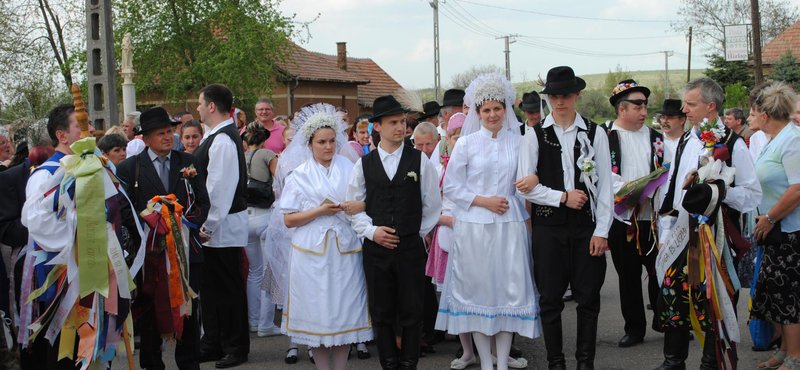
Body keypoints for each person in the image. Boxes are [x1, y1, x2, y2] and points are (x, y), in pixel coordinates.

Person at [654, 77, 762, 370]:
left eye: (691, 104)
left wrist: (716, 191)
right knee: (674, 296)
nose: (684, 109)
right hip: (681, 234)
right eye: (685, 104)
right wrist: (666, 229)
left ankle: (711, 363)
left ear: (711, 106)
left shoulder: (732, 143)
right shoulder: (687, 139)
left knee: (712, 300)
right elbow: (675, 187)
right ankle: (673, 361)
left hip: (715, 237)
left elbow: (752, 194)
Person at [436, 73, 540, 370]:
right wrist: (484, 201)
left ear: (506, 109)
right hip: (473, 227)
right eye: (486, 110)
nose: (493, 114)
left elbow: (530, 176)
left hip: (510, 226)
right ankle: (484, 362)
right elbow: (452, 187)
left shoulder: (520, 141)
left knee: (508, 291)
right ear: (477, 113)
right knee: (478, 292)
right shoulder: (466, 144)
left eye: (498, 108)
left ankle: (503, 360)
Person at [516, 66, 614, 370]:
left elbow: (607, 188)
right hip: (548, 228)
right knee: (550, 299)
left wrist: (602, 231)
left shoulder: (595, 132)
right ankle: (555, 362)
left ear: (577, 95)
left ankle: (586, 362)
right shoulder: (534, 135)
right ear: (548, 98)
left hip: (587, 227)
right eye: (555, 96)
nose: (560, 101)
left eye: (566, 95)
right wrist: (561, 196)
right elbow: (524, 187)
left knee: (588, 299)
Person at [347, 95, 442, 370]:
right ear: (377, 126)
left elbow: (432, 205)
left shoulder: (420, 161)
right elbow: (355, 207)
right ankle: (389, 364)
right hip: (376, 250)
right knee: (382, 312)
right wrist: (373, 232)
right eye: (393, 122)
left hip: (410, 249)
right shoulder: (363, 165)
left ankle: (409, 364)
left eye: (402, 122)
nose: (400, 127)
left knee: (412, 312)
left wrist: (411, 232)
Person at [278, 103, 373, 370]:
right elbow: (288, 219)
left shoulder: (351, 167)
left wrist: (355, 206)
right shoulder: (299, 174)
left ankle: (341, 367)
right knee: (316, 313)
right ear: (309, 144)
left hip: (345, 251)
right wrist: (319, 211)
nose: (328, 146)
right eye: (321, 142)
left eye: (332, 140)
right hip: (311, 254)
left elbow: (366, 202)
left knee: (344, 312)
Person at [116, 106, 211, 370]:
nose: (169, 137)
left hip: (186, 252)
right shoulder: (128, 168)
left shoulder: (188, 163)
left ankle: (189, 363)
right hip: (150, 254)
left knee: (188, 311)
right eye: (161, 133)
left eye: (170, 131)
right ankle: (152, 363)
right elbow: (125, 209)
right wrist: (152, 226)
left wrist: (181, 225)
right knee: (150, 315)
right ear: (145, 139)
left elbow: (202, 202)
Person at [604, 79, 665, 348]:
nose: (644, 111)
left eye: (645, 105)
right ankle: (634, 328)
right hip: (622, 219)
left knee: (660, 272)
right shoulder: (606, 138)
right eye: (638, 106)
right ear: (621, 109)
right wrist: (631, 193)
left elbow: (666, 172)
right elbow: (603, 177)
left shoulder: (656, 138)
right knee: (628, 277)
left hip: (653, 219)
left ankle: (667, 320)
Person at [195, 84, 250, 368]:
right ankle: (214, 342)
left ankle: (236, 346)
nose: (198, 108)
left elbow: (220, 190)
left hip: (222, 227)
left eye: (201, 103)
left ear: (212, 106)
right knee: (213, 288)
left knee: (228, 289)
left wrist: (207, 227)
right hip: (216, 226)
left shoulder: (224, 140)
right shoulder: (215, 136)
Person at [747, 81, 800, 370]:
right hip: (776, 231)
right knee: (776, 293)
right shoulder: (776, 139)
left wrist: (770, 217)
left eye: (754, 111)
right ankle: (785, 350)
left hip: (790, 231)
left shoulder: (792, 139)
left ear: (765, 115)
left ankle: (796, 356)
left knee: (789, 293)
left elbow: (797, 188)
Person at [241, 122, 280, 338]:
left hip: (245, 218)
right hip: (265, 216)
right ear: (264, 139)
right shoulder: (268, 154)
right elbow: (280, 181)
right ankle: (266, 324)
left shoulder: (239, 157)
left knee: (254, 272)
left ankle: (253, 321)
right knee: (267, 271)